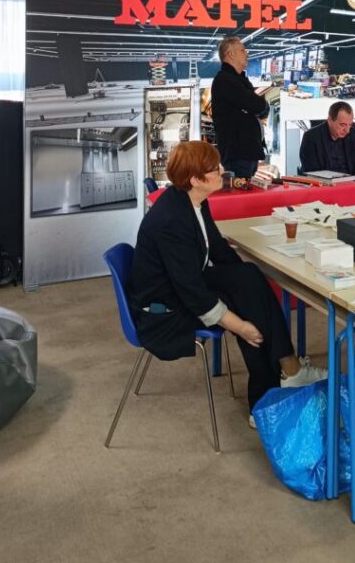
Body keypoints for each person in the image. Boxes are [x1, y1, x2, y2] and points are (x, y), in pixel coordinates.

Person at [128, 141, 327, 425]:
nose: (222, 171)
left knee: (249, 278)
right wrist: (240, 327)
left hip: (181, 286)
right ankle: (272, 392)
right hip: (164, 312)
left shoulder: (193, 202)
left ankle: (284, 375)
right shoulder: (171, 220)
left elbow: (219, 251)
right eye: (215, 168)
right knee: (243, 307)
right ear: (195, 179)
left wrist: (245, 281)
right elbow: (192, 293)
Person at [211, 37, 269, 178]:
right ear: (231, 54)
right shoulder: (225, 80)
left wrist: (256, 107)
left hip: (245, 154)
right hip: (238, 155)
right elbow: (257, 104)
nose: (246, 53)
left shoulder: (237, 79)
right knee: (241, 190)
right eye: (242, 51)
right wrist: (258, 106)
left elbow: (257, 106)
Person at [298, 101, 355, 183]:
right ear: (330, 120)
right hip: (325, 187)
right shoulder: (311, 137)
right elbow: (313, 175)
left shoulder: (354, 135)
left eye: (350, 125)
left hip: (351, 186)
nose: (347, 130)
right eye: (343, 125)